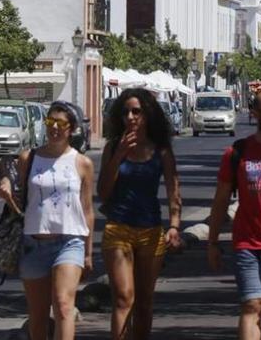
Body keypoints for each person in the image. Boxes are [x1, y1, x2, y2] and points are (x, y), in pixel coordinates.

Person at [0, 101, 95, 340]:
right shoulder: (29, 158)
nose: (54, 128)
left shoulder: (82, 163)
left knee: (63, 305)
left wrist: (89, 252)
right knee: (38, 315)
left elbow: (87, 210)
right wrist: (7, 186)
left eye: (61, 123)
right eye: (50, 122)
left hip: (69, 243)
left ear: (71, 129)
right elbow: (18, 198)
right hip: (33, 243)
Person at [99, 88, 182, 340]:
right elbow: (103, 192)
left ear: (147, 114)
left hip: (150, 231)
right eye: (125, 112)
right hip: (118, 229)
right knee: (124, 298)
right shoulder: (113, 147)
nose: (131, 117)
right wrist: (119, 155)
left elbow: (173, 189)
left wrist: (174, 226)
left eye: (136, 111)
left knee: (144, 302)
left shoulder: (161, 151)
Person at [208, 89, 261, 340]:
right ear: (255, 113)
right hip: (247, 243)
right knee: (252, 305)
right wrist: (212, 242)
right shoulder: (237, 153)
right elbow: (221, 200)